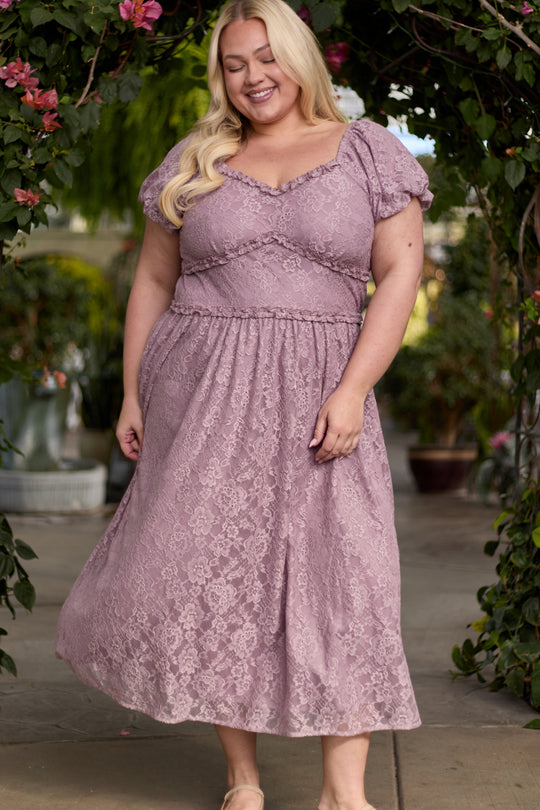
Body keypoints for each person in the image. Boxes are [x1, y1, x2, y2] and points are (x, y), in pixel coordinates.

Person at [56, 1, 432, 808]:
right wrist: (131, 390)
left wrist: (354, 389)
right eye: (235, 64)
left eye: (267, 57)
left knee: (346, 574)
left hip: (322, 391)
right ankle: (243, 778)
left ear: (299, 58)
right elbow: (155, 279)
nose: (254, 76)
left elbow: (399, 273)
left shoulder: (366, 151)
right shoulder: (197, 157)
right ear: (220, 76)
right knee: (217, 571)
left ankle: (345, 792)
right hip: (202, 389)